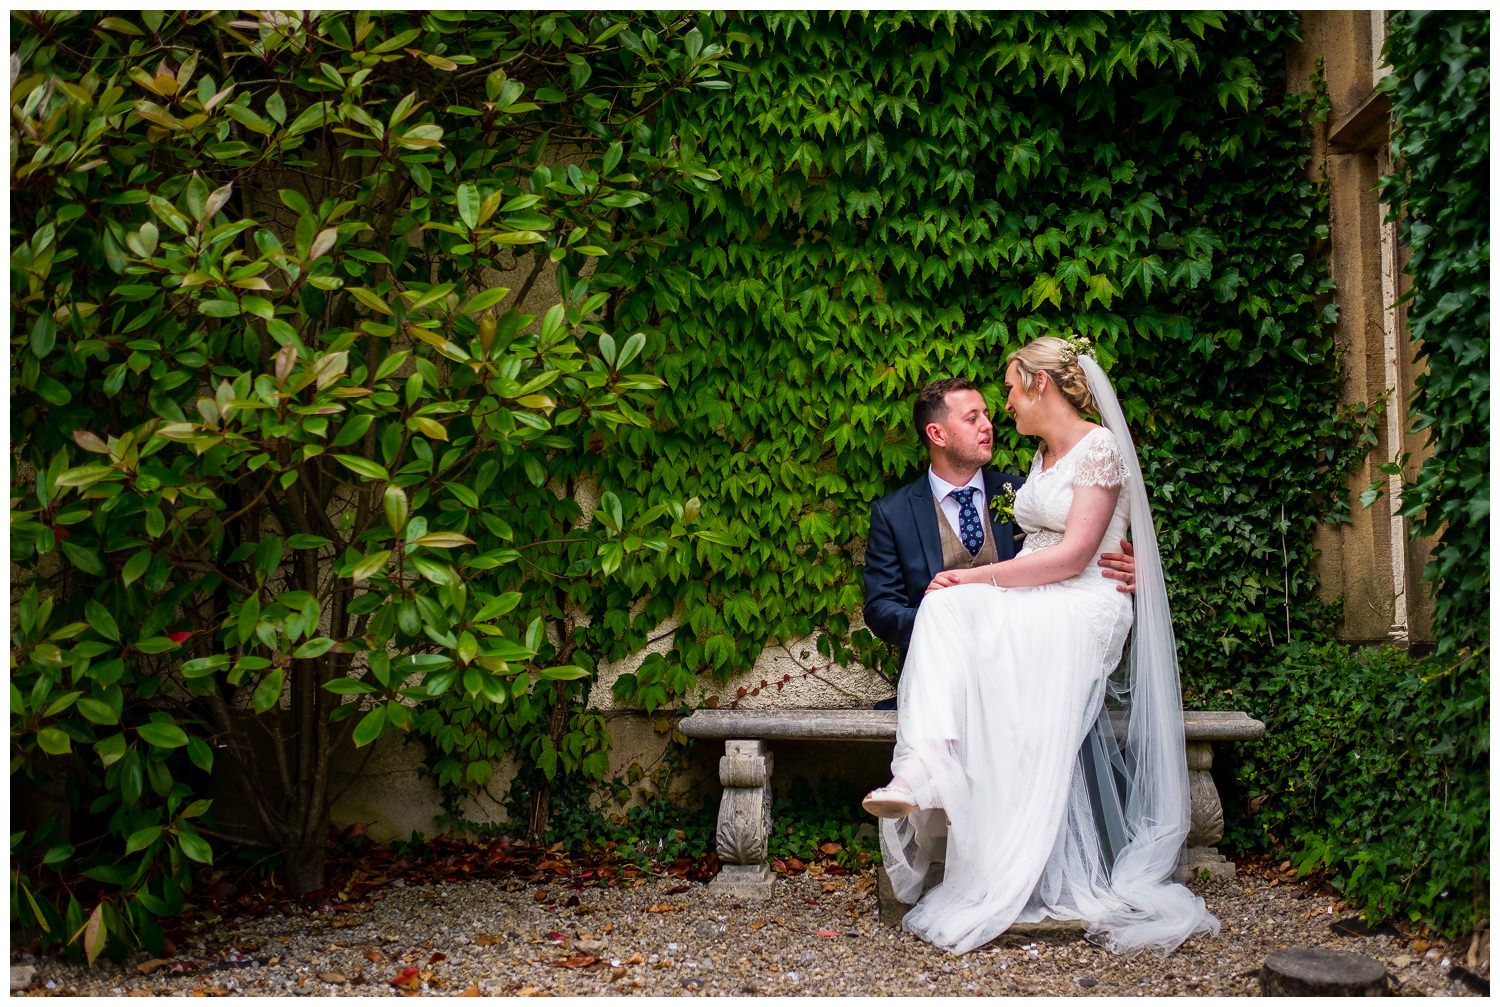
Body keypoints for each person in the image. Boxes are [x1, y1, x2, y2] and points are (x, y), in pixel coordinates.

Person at [861, 336, 1219, 956]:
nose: (999, 409)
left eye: (1004, 391)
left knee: (951, 599)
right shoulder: (1035, 464)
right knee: (943, 605)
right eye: (977, 411)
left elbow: (1079, 552)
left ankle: (930, 771)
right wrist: (974, 596)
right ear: (937, 434)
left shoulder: (1095, 449)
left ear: (1039, 384)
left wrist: (977, 581)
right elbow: (889, 605)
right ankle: (924, 766)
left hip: (1080, 604)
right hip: (1036, 601)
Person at [862, 377, 1136, 707]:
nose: (988, 426)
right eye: (972, 418)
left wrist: (1132, 570)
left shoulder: (1028, 496)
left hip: (1026, 681)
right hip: (938, 686)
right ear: (937, 434)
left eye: (987, 414)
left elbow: (1077, 549)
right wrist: (943, 623)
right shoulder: (894, 514)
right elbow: (880, 608)